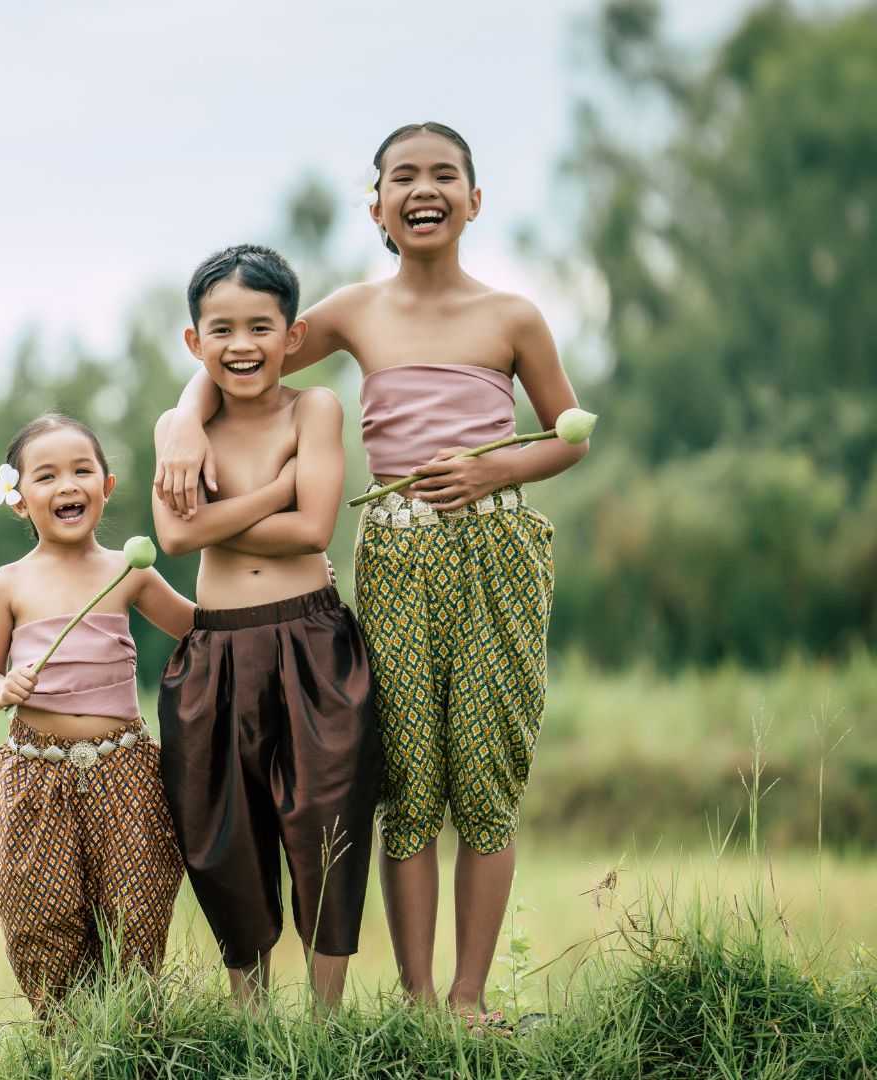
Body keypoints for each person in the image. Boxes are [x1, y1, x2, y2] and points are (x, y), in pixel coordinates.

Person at [153, 123, 589, 1027]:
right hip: (393, 555)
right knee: (408, 781)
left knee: (487, 775)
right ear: (377, 206)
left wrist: (493, 470)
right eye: (403, 177)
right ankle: (419, 997)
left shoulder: (513, 316)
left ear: (475, 199)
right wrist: (178, 425)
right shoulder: (355, 310)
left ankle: (469, 996)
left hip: (495, 551)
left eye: (443, 176)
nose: (422, 188)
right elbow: (246, 352)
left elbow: (567, 433)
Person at [150, 244, 381, 1012]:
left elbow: (313, 529)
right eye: (221, 329)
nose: (240, 345)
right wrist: (270, 492)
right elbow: (174, 539)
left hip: (311, 643)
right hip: (215, 647)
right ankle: (249, 1019)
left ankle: (324, 1021)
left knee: (327, 822)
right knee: (224, 834)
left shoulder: (313, 408)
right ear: (194, 342)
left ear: (292, 335)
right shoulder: (178, 429)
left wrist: (224, 516)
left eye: (260, 326)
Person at [0, 413, 193, 1014]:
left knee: (137, 902)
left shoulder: (129, 569)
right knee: (40, 910)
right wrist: (3, 689)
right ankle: (67, 1036)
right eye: (46, 476)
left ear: (106, 486)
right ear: (19, 500)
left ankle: (131, 1034)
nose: (67, 485)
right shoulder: (8, 583)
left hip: (123, 774)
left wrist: (281, 584)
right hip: (35, 775)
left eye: (81, 470)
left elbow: (197, 628)